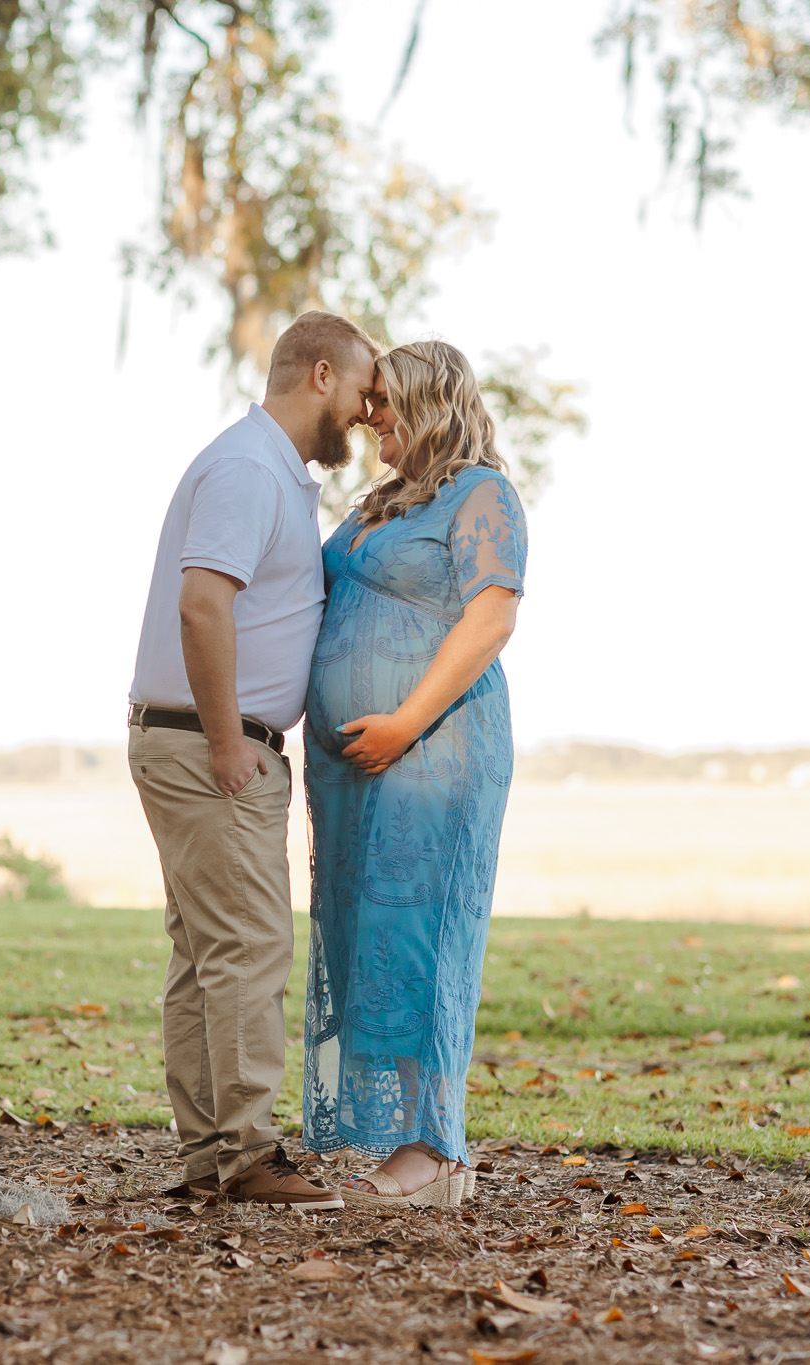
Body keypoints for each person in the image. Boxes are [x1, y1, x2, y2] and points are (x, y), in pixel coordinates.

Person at [127, 310, 379, 1211]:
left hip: (200, 740)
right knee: (247, 946)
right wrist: (232, 739)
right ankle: (245, 1155)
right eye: (362, 388)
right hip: (211, 745)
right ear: (319, 374)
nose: (366, 409)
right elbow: (204, 606)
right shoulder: (246, 466)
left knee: (205, 955)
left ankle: (209, 1155)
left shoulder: (269, 470)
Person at [300, 339, 529, 1209]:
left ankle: (435, 1147)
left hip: (437, 753)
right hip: (357, 772)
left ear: (431, 401)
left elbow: (490, 618)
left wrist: (402, 720)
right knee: (369, 939)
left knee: (422, 934)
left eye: (385, 401)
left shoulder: (482, 494)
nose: (370, 415)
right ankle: (408, 1137)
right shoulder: (370, 509)